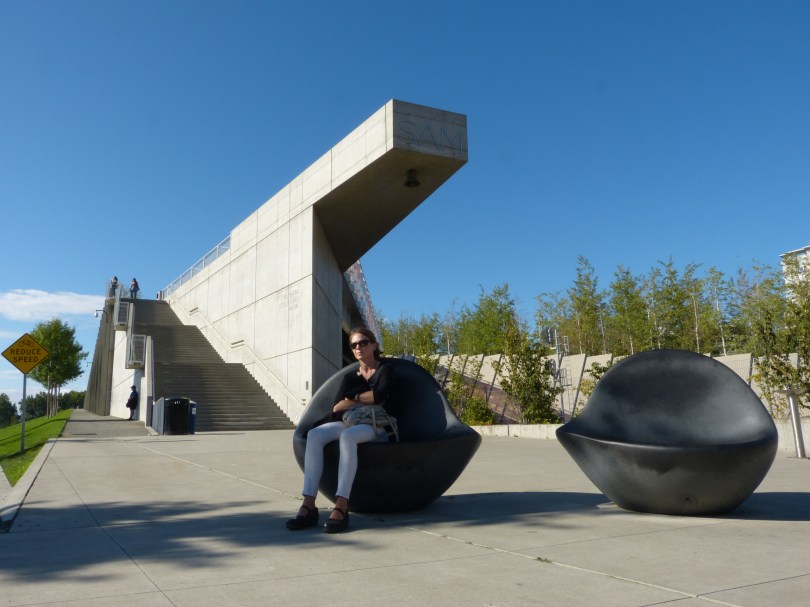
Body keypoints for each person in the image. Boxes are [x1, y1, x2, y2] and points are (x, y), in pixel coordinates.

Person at [286, 327, 397, 534]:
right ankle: (309, 504)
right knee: (315, 435)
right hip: (351, 422)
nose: (358, 348)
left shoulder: (386, 369)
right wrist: (363, 398)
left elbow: (381, 396)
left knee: (347, 437)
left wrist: (352, 399)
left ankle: (342, 505)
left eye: (363, 342)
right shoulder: (349, 377)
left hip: (378, 426)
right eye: (354, 345)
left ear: (374, 345)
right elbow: (337, 407)